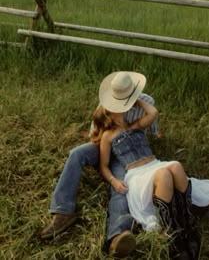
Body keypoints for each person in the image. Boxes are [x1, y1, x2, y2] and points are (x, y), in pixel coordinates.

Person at [91, 71, 209, 260]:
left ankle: (185, 228)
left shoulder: (135, 125)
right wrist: (114, 181)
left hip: (154, 164)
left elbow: (153, 112)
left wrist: (135, 98)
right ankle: (172, 237)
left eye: (124, 106)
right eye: (117, 108)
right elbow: (104, 166)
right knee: (164, 174)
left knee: (175, 166)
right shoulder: (108, 136)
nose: (121, 111)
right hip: (137, 174)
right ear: (108, 111)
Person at [40, 72, 160, 258]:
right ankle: (63, 212)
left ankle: (117, 235)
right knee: (77, 153)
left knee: (121, 186)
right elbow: (93, 134)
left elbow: (152, 131)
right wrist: (106, 144)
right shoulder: (106, 103)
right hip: (104, 144)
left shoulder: (146, 102)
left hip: (127, 154)